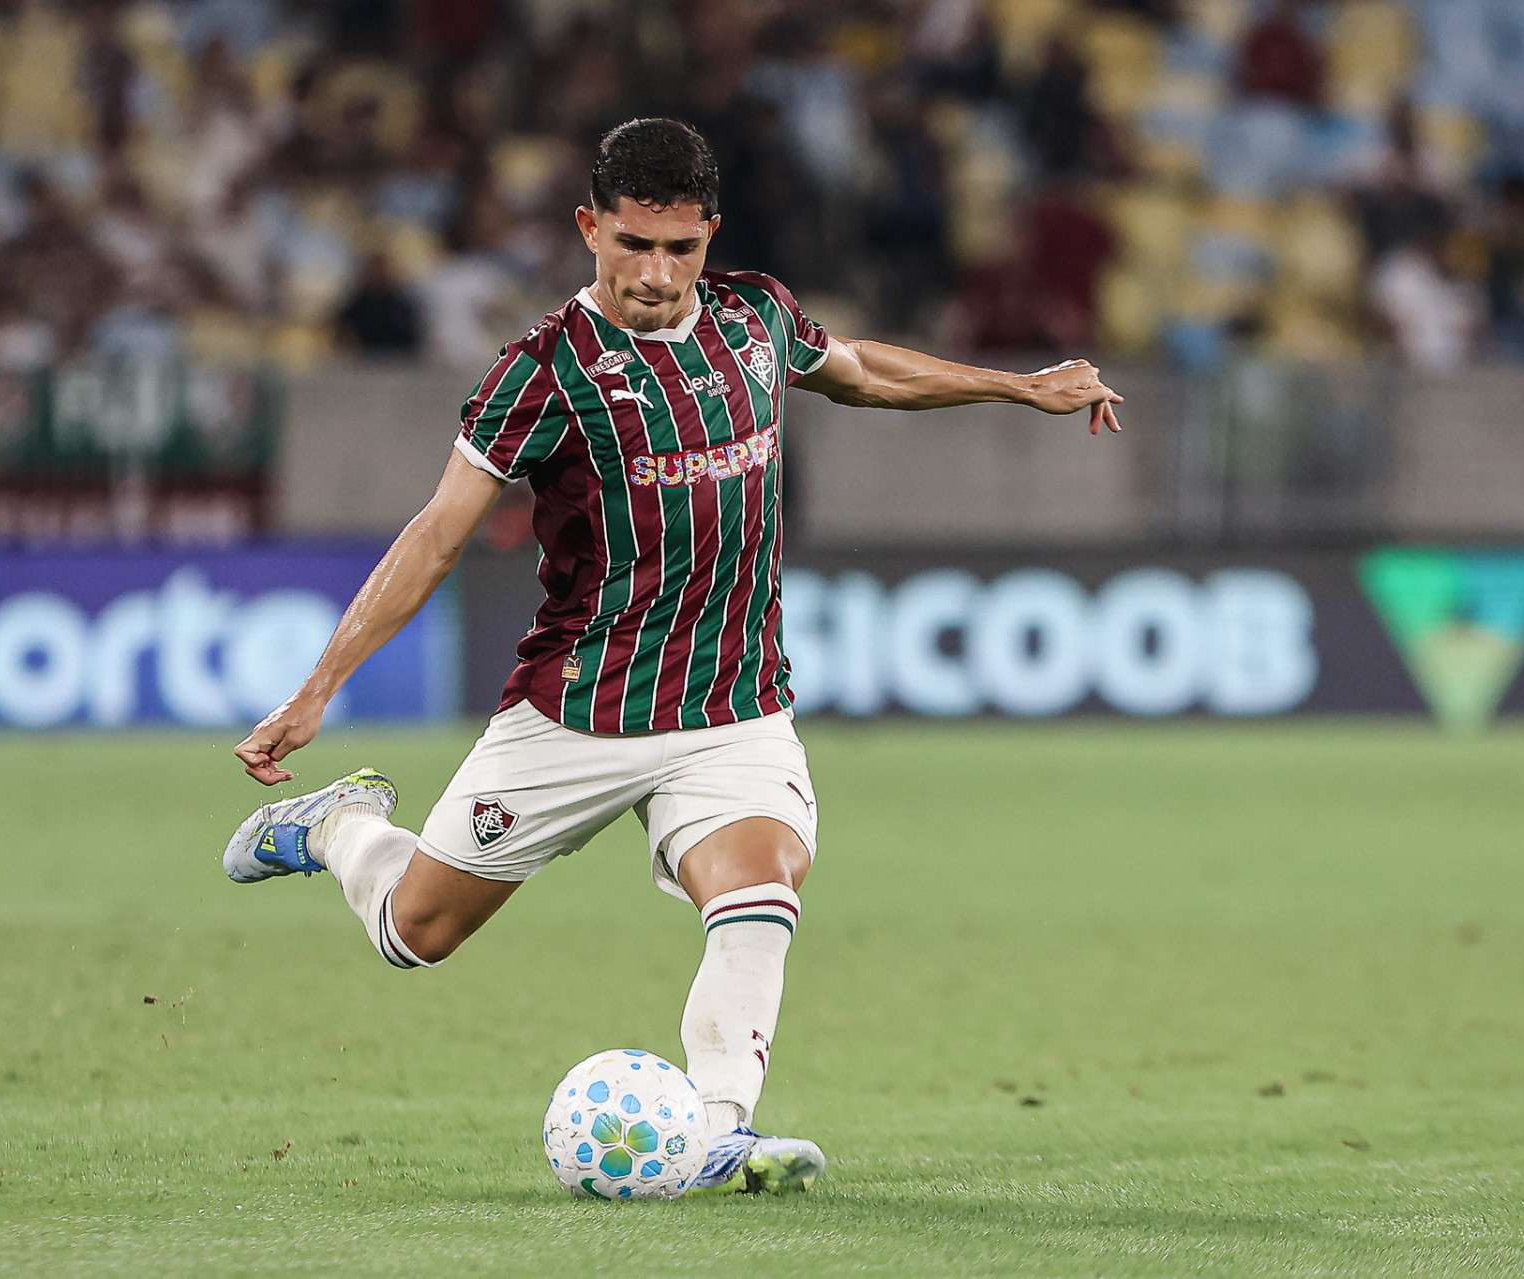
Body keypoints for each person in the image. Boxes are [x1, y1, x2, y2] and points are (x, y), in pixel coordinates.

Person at [220, 118, 1123, 1195]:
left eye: (679, 249)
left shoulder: (755, 316)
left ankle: (716, 1131)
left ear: (710, 235)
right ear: (589, 228)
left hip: (733, 709)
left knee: (760, 887)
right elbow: (436, 534)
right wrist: (320, 687)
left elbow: (861, 370)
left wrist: (1019, 386)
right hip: (579, 712)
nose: (655, 275)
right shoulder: (544, 373)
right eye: (631, 246)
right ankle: (341, 823)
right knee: (417, 933)